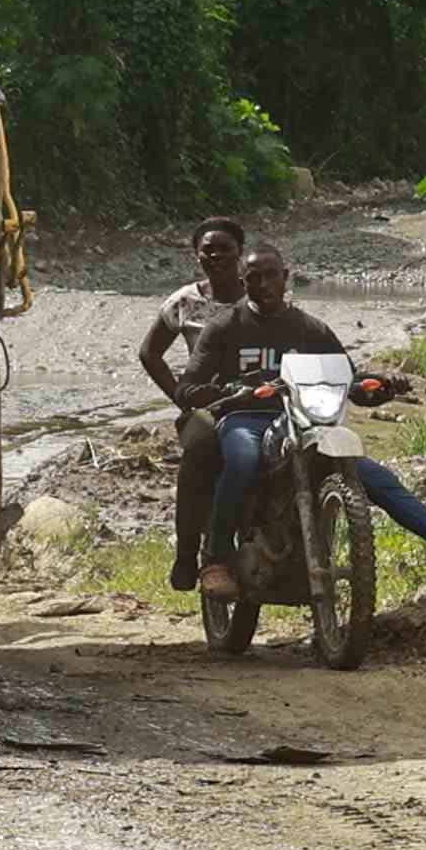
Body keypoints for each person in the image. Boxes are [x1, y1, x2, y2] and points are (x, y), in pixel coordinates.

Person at [203, 244, 426, 581]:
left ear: (286, 277)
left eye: (270, 276)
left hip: (303, 421)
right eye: (253, 278)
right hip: (246, 420)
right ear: (242, 281)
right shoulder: (225, 327)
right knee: (244, 460)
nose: (263, 284)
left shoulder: (310, 329)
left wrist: (378, 387)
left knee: (381, 480)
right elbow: (189, 385)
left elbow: (347, 379)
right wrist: (229, 392)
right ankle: (215, 558)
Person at [134, 217, 282, 589]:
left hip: (258, 402)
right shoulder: (185, 302)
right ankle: (187, 556)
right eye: (207, 250)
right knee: (198, 456)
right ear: (197, 256)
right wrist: (182, 399)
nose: (215, 256)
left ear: (240, 255)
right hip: (209, 406)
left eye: (224, 249)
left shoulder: (261, 296)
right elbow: (150, 353)